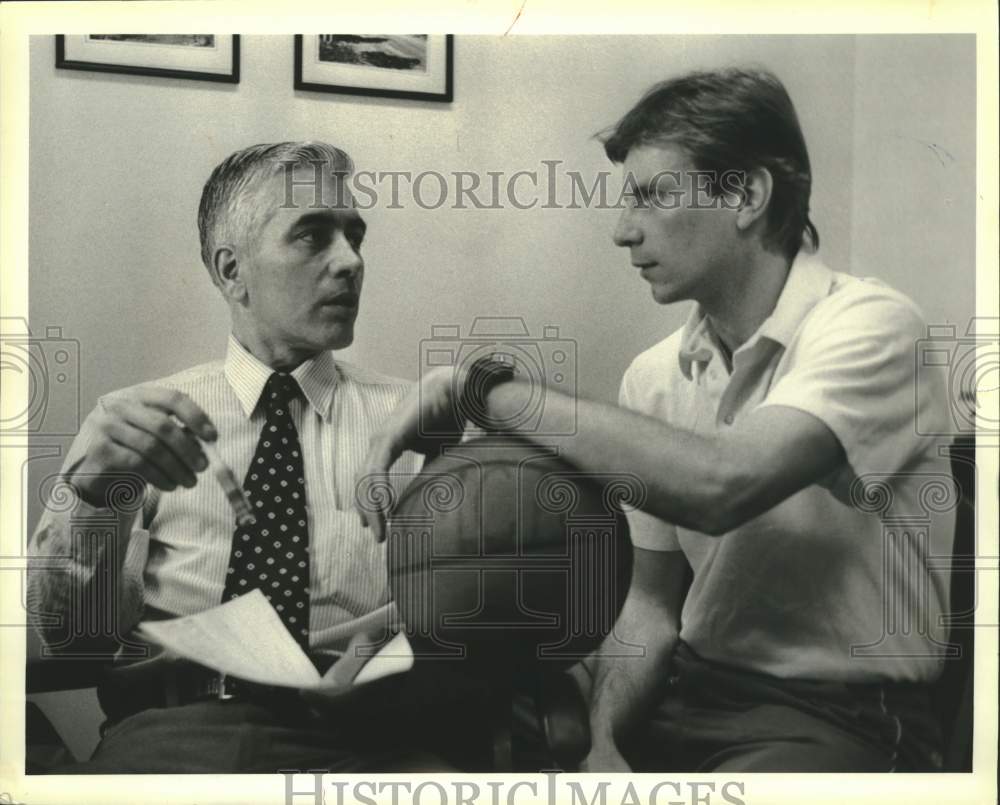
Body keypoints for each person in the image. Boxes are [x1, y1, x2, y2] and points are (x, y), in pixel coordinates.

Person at [357, 68, 956, 772]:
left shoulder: (875, 325)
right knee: (434, 725)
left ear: (747, 195)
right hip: (690, 695)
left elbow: (721, 483)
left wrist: (480, 390)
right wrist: (605, 739)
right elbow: (649, 605)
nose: (622, 230)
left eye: (652, 195)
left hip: (838, 716)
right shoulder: (654, 373)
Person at [27, 141, 488, 773]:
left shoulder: (414, 424)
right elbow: (72, 644)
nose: (351, 262)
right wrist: (90, 500)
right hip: (177, 739)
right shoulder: (137, 428)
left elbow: (484, 618)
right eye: (312, 236)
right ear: (231, 270)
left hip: (371, 744)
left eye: (355, 236)